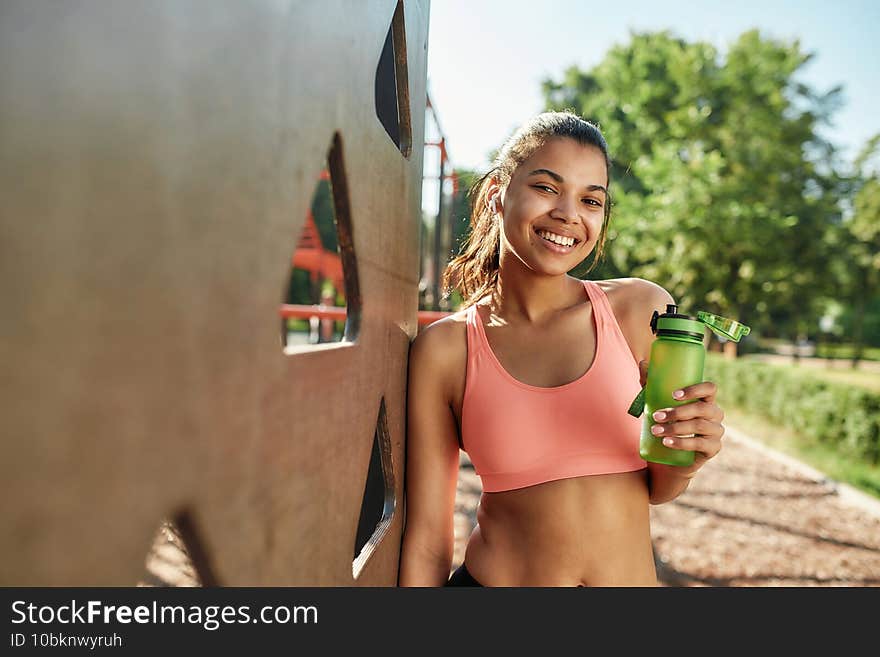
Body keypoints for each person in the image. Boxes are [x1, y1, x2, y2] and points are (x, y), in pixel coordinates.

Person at [397, 111, 725, 587]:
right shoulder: (447, 349)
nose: (569, 214)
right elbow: (428, 539)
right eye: (547, 188)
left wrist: (688, 458)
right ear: (497, 196)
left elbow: (659, 487)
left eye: (591, 199)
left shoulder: (640, 311)